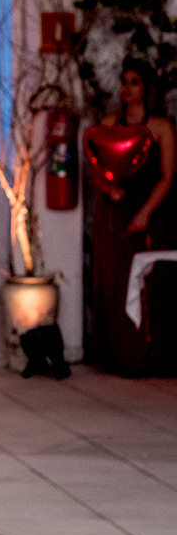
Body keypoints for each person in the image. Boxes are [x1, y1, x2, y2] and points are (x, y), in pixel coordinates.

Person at [87, 57, 177, 375]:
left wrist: (145, 212)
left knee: (151, 284)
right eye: (124, 81)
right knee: (117, 281)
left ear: (146, 87)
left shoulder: (161, 127)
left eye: (134, 81)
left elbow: (167, 176)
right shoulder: (110, 125)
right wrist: (109, 191)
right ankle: (121, 355)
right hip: (117, 211)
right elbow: (96, 166)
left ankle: (152, 355)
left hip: (151, 211)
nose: (127, 88)